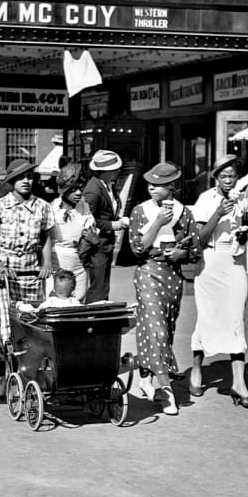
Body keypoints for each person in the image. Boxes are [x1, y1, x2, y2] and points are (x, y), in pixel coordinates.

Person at [127, 162, 202, 416]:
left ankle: (146, 376)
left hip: (173, 276)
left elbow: (195, 250)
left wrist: (181, 253)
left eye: (158, 185)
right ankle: (166, 388)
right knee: (156, 328)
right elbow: (137, 248)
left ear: (171, 186)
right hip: (148, 271)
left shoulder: (184, 213)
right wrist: (158, 222)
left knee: (164, 330)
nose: (152, 188)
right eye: (150, 184)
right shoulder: (141, 211)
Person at [0, 158, 56, 397]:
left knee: (31, 321)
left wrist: (46, 263)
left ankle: (30, 372)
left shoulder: (42, 207)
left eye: (29, 177)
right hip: (7, 272)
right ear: (11, 182)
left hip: (32, 271)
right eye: (19, 178)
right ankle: (3, 366)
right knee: (7, 322)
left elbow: (47, 237)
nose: (25, 182)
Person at [190, 155, 248, 408]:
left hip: (234, 261)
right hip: (210, 262)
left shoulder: (241, 199)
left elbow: (245, 225)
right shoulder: (206, 200)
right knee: (207, 318)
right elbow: (198, 238)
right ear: (216, 177)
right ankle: (197, 370)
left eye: (233, 176)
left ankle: (239, 383)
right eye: (224, 176)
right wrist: (218, 213)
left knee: (234, 320)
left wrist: (243, 232)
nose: (229, 181)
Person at [83, 149, 130, 304]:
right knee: (98, 286)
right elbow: (88, 219)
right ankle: (93, 319)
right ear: (105, 171)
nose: (119, 171)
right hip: (97, 244)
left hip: (104, 243)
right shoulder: (93, 190)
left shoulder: (107, 185)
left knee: (103, 284)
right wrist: (114, 224)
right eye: (116, 169)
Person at [50, 163, 98, 301]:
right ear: (64, 191)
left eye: (80, 189)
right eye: (73, 189)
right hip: (56, 266)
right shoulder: (52, 209)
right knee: (55, 303)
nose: (78, 193)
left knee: (77, 302)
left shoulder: (84, 208)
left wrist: (91, 239)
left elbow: (91, 237)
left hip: (78, 267)